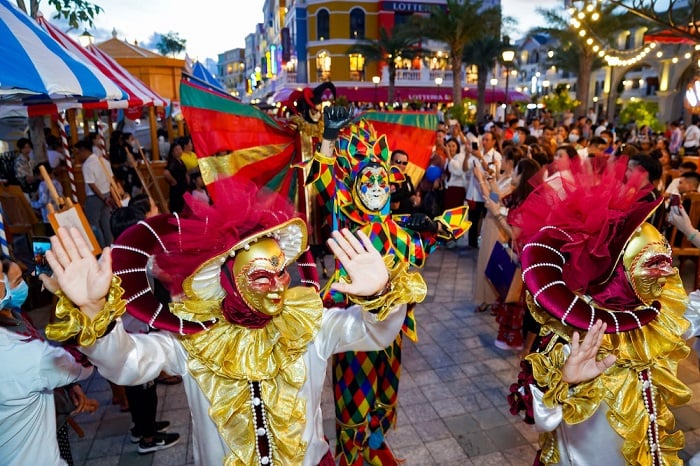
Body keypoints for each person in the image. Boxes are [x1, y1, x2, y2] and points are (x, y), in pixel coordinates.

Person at [44, 176, 426, 466]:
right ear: (229, 282)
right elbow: (127, 363)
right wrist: (95, 315)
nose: (278, 284)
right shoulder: (195, 338)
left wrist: (380, 295)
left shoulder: (308, 324)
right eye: (261, 275)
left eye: (281, 270)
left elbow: (373, 332)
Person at [302, 108, 470, 466]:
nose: (376, 188)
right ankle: (354, 458)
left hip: (393, 331)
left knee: (384, 393)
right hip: (354, 332)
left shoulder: (398, 229)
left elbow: (421, 247)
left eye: (382, 182)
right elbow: (321, 181)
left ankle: (376, 449)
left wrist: (435, 228)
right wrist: (328, 139)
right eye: (368, 182)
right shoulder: (348, 223)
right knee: (354, 400)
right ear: (354, 190)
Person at [508, 156, 700, 465]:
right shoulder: (575, 336)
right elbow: (542, 420)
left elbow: (695, 313)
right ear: (619, 271)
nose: (667, 272)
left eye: (667, 258)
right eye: (653, 263)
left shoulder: (660, 319)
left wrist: (691, 233)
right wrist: (565, 382)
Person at [0, 258, 96, 466]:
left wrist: (71, 385)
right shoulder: (23, 353)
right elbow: (76, 365)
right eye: (16, 281)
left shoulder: (18, 317)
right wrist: (92, 316)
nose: (24, 285)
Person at [109, 207, 180, 454]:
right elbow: (167, 275)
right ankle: (149, 438)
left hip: (122, 332)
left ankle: (140, 427)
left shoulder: (111, 253)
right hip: (136, 330)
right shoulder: (137, 258)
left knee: (133, 381)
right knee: (145, 385)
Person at [75, 140, 114, 247]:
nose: (78, 156)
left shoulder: (87, 165)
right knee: (106, 223)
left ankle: (101, 248)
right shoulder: (103, 161)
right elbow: (111, 179)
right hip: (107, 194)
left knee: (94, 225)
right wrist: (108, 197)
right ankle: (110, 246)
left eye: (78, 153)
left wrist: (103, 198)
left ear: (84, 151)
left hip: (95, 197)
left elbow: (92, 185)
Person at [388, 149, 419, 214]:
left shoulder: (407, 178)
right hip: (391, 218)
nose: (401, 165)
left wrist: (415, 199)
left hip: (407, 217)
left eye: (404, 163)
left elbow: (411, 194)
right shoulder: (385, 178)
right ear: (391, 162)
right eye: (398, 162)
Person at [163, 139, 188, 213]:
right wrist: (173, 182)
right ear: (172, 152)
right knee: (177, 208)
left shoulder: (180, 160)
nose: (179, 151)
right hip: (177, 189)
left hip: (183, 187)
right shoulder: (173, 162)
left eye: (180, 149)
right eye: (176, 150)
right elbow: (166, 173)